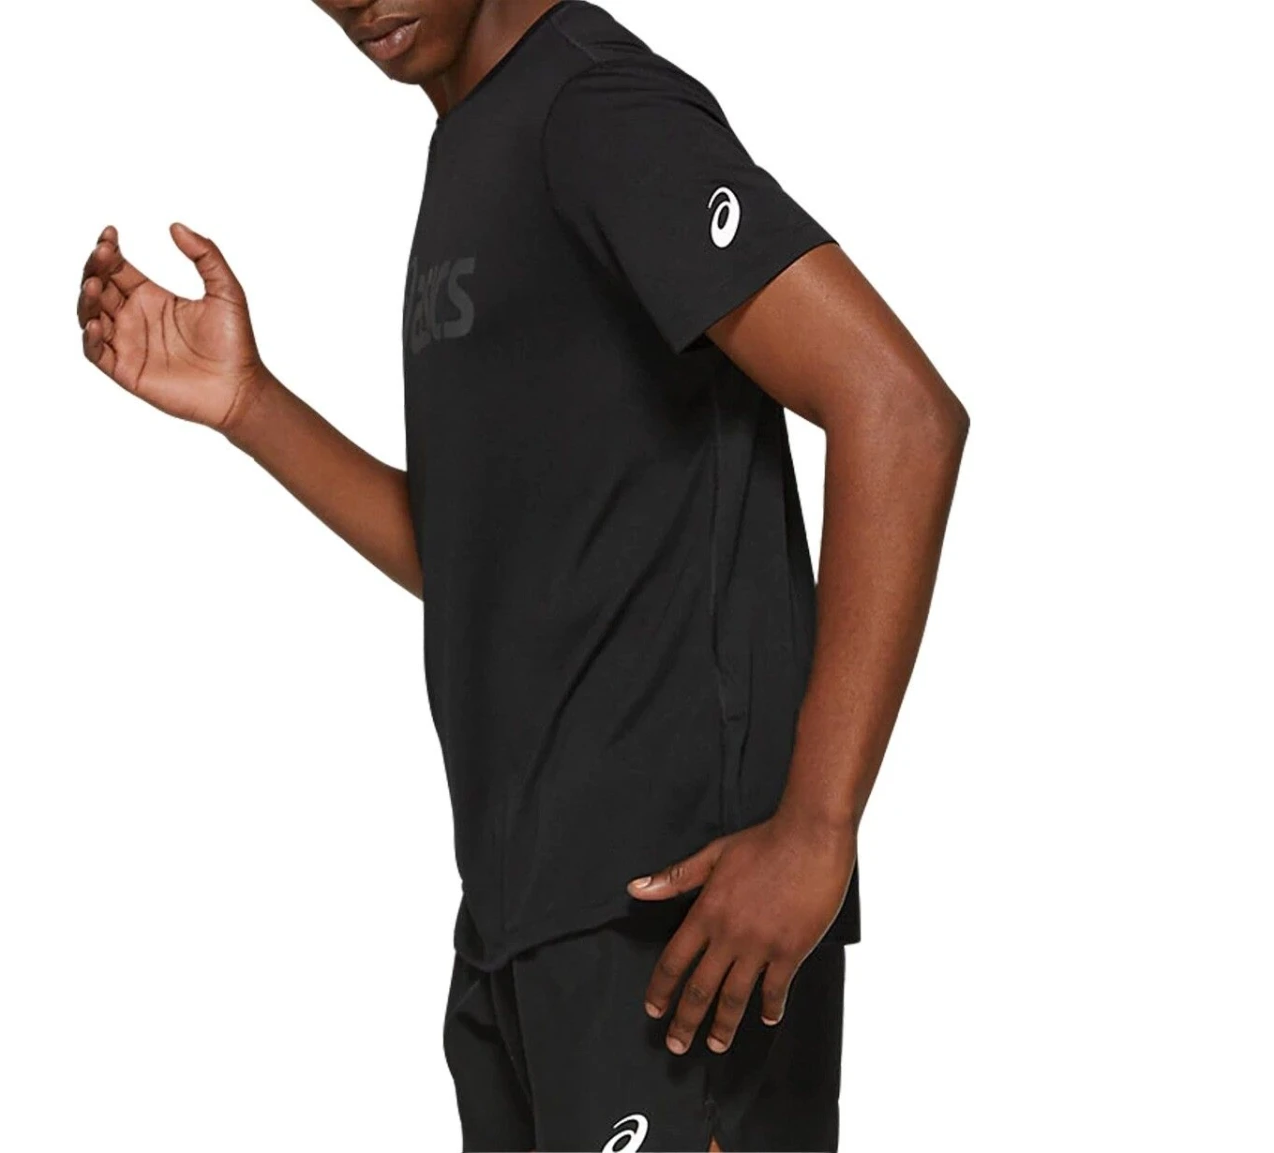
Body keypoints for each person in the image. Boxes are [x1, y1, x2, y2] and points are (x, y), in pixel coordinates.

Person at [76, 1, 968, 1148]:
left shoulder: (596, 109)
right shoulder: (477, 140)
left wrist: (816, 826)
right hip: (523, 922)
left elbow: (899, 409)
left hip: (678, 922)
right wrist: (251, 406)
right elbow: (484, 557)